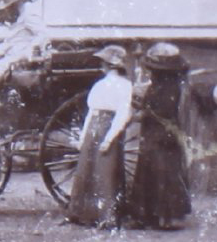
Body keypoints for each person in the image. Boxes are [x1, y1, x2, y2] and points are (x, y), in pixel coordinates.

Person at [66, 45, 133, 229]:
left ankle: (100, 215)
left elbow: (120, 113)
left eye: (103, 63)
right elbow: (116, 113)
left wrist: (109, 138)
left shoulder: (120, 85)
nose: (101, 67)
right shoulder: (106, 84)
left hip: (102, 127)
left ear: (109, 65)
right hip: (101, 126)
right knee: (92, 168)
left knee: (102, 170)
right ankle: (93, 214)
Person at [128, 42, 192, 230]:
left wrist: (143, 113)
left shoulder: (170, 88)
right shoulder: (157, 86)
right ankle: (149, 216)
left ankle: (165, 218)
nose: (152, 72)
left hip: (163, 135)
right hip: (153, 134)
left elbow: (163, 111)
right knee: (151, 172)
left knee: (163, 174)